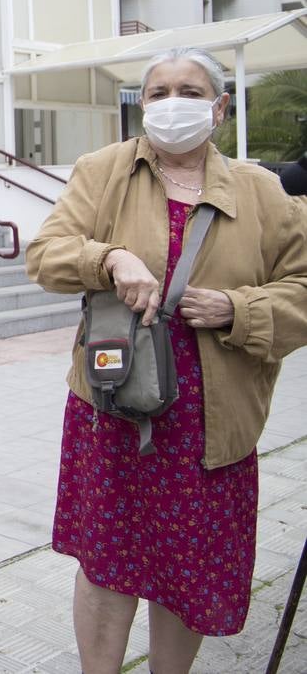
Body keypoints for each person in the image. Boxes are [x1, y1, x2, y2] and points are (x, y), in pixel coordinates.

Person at [26, 47, 307, 673]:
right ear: (142, 105)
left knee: (189, 573)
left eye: (188, 89)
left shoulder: (264, 191)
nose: (171, 103)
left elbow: (303, 287)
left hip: (212, 425)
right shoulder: (103, 170)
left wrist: (240, 310)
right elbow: (46, 254)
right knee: (107, 565)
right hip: (116, 407)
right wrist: (111, 259)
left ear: (220, 106)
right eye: (157, 92)